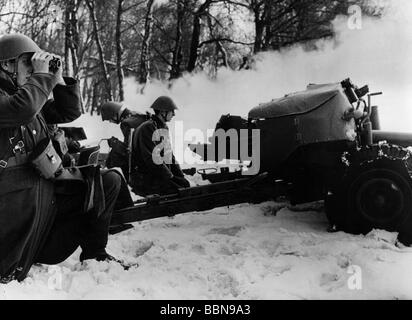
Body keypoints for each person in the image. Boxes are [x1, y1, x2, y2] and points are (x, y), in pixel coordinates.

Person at [0, 33, 125, 283]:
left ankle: (95, 254)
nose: (35, 69)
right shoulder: (14, 102)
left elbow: (69, 112)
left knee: (107, 181)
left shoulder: (27, 100)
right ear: (6, 64)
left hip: (42, 216)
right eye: (29, 62)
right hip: (13, 230)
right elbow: (20, 110)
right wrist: (41, 77)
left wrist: (56, 79)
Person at [130, 96, 190, 196]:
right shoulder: (147, 128)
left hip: (156, 176)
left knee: (185, 185)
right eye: (172, 111)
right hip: (145, 180)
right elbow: (152, 159)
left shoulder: (162, 127)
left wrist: (180, 176)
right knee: (180, 190)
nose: (174, 114)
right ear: (163, 112)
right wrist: (171, 177)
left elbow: (169, 155)